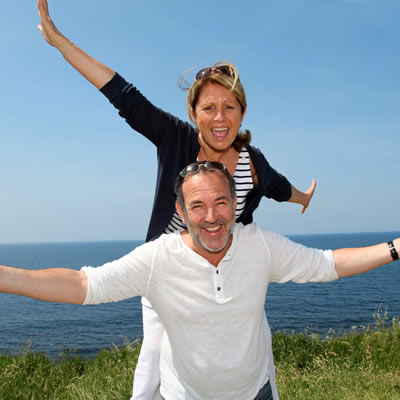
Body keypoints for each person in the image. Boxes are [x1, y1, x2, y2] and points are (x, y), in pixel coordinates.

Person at [37, 1, 316, 399]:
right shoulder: (175, 138)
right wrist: (61, 42)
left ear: (242, 113)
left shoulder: (252, 165)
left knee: (255, 347)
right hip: (167, 269)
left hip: (225, 273)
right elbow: (122, 94)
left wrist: (303, 198)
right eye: (208, 108)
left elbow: (280, 187)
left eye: (229, 107)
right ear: (193, 111)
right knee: (152, 359)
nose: (219, 118)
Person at [1, 161, 399, 399]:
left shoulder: (260, 245)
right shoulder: (158, 258)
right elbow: (82, 285)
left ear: (235, 204)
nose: (212, 216)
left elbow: (329, 264)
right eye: (198, 205)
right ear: (181, 209)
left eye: (221, 202)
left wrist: (396, 248)